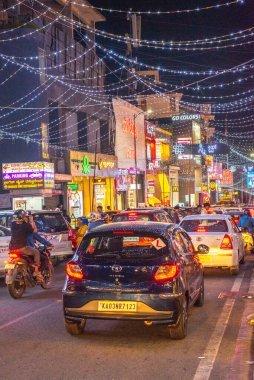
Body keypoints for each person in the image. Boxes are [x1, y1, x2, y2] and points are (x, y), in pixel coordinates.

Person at [9, 210, 43, 282]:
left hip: (11, 249)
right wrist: (31, 221)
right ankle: (36, 271)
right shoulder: (25, 225)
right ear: (22, 217)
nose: (25, 218)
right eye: (24, 216)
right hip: (22, 248)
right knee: (36, 252)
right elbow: (34, 231)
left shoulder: (12, 224)